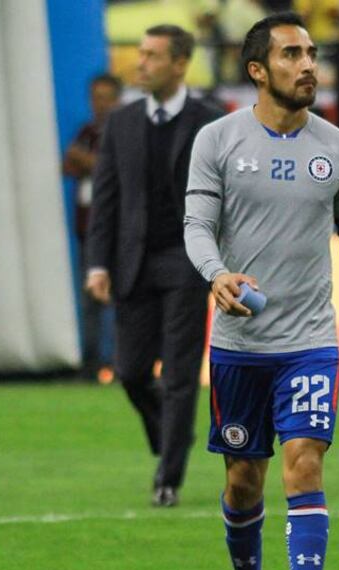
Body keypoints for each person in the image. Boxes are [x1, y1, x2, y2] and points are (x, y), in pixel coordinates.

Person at [183, 12, 339, 570]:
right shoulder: (217, 141)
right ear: (258, 70)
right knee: (242, 481)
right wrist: (217, 275)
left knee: (304, 463)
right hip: (239, 347)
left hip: (309, 341)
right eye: (291, 55)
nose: (308, 65)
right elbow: (196, 225)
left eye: (311, 53)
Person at [85, 25, 224, 508]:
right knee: (130, 371)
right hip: (133, 263)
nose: (139, 63)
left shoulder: (210, 121)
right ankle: (172, 432)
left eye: (151, 56)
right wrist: (97, 263)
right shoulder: (121, 123)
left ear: (180, 64)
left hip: (187, 260)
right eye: (139, 54)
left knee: (183, 371)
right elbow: (106, 199)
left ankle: (168, 478)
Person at [63, 74, 121, 383]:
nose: (100, 103)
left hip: (117, 231)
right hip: (88, 228)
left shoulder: (124, 132)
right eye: (95, 97)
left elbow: (109, 169)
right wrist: (88, 162)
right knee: (89, 300)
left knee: (117, 298)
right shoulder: (87, 132)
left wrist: (86, 161)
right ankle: (91, 364)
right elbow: (67, 165)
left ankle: (118, 362)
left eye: (105, 97)